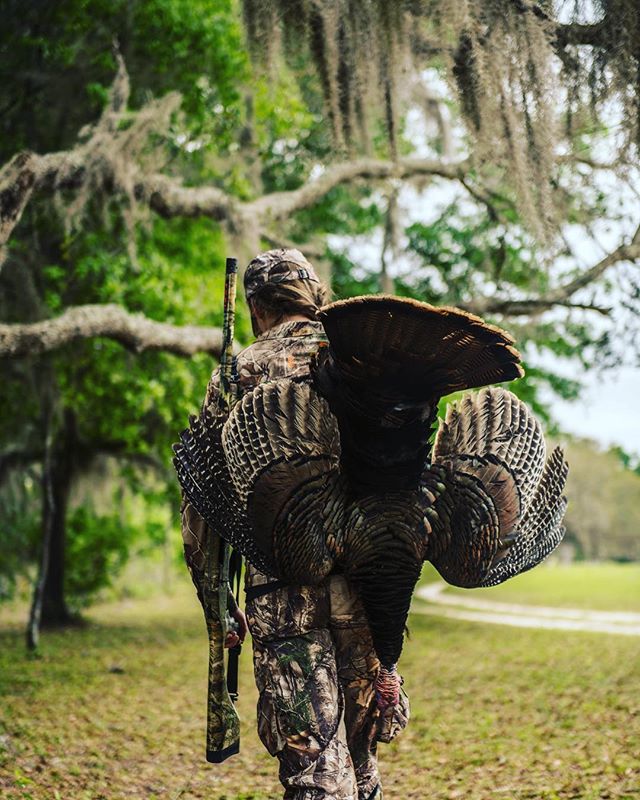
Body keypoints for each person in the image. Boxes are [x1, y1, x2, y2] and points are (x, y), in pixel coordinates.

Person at [182, 248, 409, 800]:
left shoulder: (235, 373)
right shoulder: (352, 358)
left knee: (313, 772)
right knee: (362, 761)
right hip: (363, 588)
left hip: (280, 595)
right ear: (313, 294)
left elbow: (202, 505)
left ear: (257, 307)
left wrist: (216, 603)